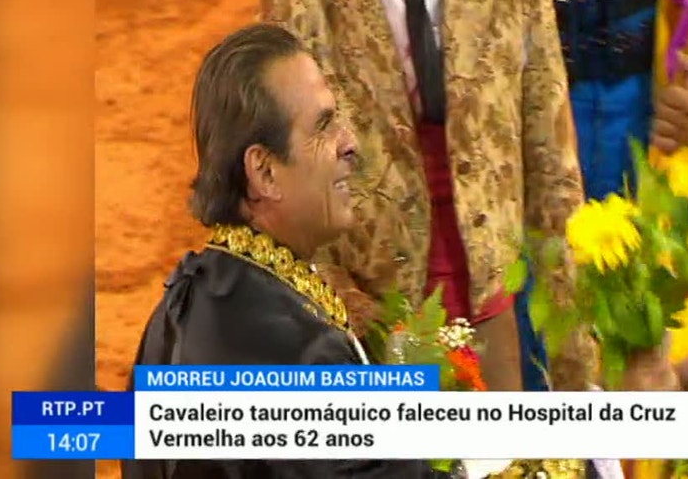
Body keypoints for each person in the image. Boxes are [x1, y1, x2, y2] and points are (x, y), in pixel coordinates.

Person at [121, 24, 453, 479]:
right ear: (265, 172)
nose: (350, 143)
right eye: (323, 127)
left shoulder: (183, 302)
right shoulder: (301, 353)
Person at [261, 0, 583, 393]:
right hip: (367, 316)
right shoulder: (304, 4)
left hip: (489, 304)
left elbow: (553, 166)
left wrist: (579, 376)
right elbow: (283, 168)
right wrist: (338, 305)